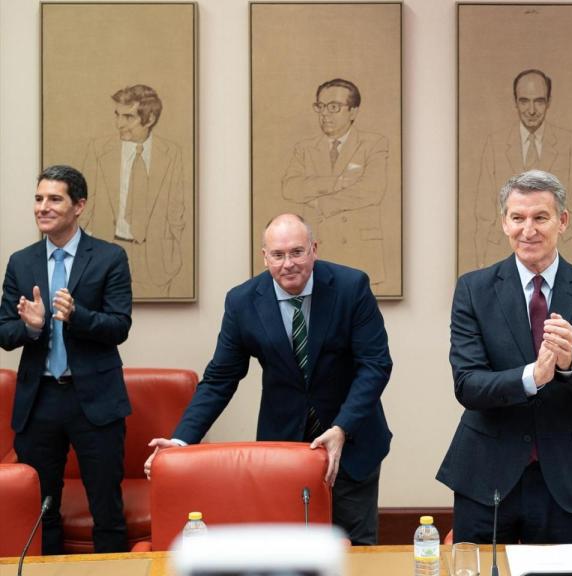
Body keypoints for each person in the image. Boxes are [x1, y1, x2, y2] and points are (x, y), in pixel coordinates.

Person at [144, 213, 392, 544]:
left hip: (351, 441)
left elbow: (375, 364)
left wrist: (342, 428)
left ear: (313, 250)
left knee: (355, 549)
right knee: (286, 549)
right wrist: (179, 442)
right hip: (282, 448)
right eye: (278, 255)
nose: (288, 263)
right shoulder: (243, 301)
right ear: (265, 257)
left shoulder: (351, 287)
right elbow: (220, 378)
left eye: (297, 252)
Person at [439, 169, 572, 543]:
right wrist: (531, 377)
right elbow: (467, 385)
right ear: (504, 223)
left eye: (540, 217)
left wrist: (571, 362)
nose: (529, 230)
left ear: (562, 221)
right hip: (486, 469)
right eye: (517, 218)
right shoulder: (474, 289)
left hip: (564, 477)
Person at [0, 165, 133, 554]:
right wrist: (31, 328)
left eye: (54, 199)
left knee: (106, 510)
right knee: (43, 511)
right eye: (39, 199)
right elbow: (5, 331)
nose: (43, 207)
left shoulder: (110, 257)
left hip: (95, 399)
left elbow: (119, 326)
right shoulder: (21, 262)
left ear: (79, 206)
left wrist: (78, 316)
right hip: (39, 399)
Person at [475, 69, 572, 269]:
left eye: (539, 101)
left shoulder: (569, 143)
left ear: (549, 101)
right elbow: (483, 217)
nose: (531, 110)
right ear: (515, 101)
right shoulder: (495, 144)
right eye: (524, 101)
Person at [81, 84, 186, 298]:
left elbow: (178, 208)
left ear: (150, 119)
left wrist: (172, 244)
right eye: (117, 115)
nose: (119, 124)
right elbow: (83, 207)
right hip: (106, 253)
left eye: (128, 117)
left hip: (157, 260)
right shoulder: (98, 150)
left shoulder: (172, 153)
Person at [282, 78, 388, 285]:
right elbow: (290, 187)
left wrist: (321, 203)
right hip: (321, 249)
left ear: (353, 111)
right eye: (320, 107)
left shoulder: (374, 143)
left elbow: (371, 190)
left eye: (333, 107)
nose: (324, 114)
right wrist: (336, 182)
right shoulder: (304, 148)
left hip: (360, 248)